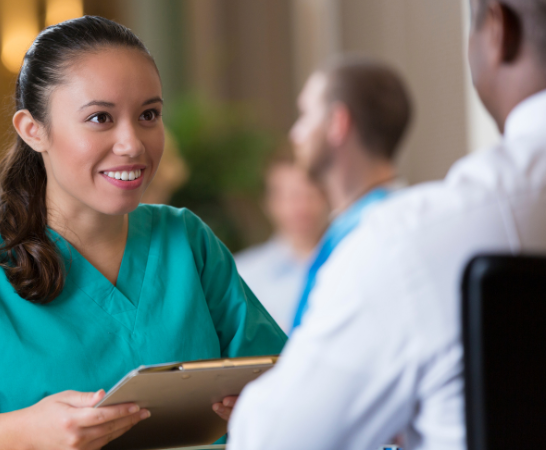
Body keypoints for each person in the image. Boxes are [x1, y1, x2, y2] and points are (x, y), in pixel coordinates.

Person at [0, 16, 286, 450]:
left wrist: (266, 405)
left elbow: (283, 377)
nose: (132, 144)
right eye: (100, 117)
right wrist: (24, 433)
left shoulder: (187, 241)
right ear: (34, 130)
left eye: (149, 115)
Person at [229, 0, 546, 448]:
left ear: (497, 28)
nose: (295, 133)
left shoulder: (406, 243)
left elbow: (273, 439)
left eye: (305, 115)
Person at [288, 56, 412, 331]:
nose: (295, 134)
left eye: (305, 115)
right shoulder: (390, 222)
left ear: (337, 122)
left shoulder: (370, 236)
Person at [235, 155, 329, 331]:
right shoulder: (241, 276)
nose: (302, 207)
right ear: (269, 203)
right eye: (292, 196)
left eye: (311, 194)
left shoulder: (349, 262)